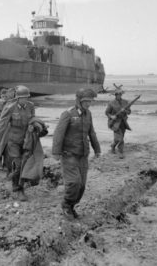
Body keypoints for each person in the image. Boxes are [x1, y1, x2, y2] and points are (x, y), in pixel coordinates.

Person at [52, 89, 101, 220]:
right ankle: (66, 205)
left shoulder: (88, 114)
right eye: (86, 101)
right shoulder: (68, 114)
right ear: (79, 100)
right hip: (69, 154)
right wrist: (56, 152)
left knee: (82, 185)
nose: (88, 104)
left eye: (90, 101)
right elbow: (58, 133)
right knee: (74, 182)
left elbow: (92, 133)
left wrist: (97, 149)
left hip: (83, 155)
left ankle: (72, 206)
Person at [0, 85, 35, 201]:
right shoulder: (10, 107)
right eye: (22, 98)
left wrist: (34, 126)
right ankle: (18, 189)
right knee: (18, 164)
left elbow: (33, 119)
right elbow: (1, 124)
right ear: (17, 98)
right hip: (13, 141)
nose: (25, 100)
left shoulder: (31, 107)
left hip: (26, 140)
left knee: (24, 164)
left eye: (27, 97)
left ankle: (18, 183)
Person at [105, 88, 131, 159]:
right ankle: (121, 152)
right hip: (115, 123)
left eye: (120, 94)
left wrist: (125, 110)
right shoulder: (111, 103)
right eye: (117, 94)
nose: (119, 95)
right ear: (115, 95)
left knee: (119, 138)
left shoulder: (125, 102)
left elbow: (129, 112)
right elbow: (107, 113)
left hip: (123, 122)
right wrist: (112, 116)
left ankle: (113, 146)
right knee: (120, 139)